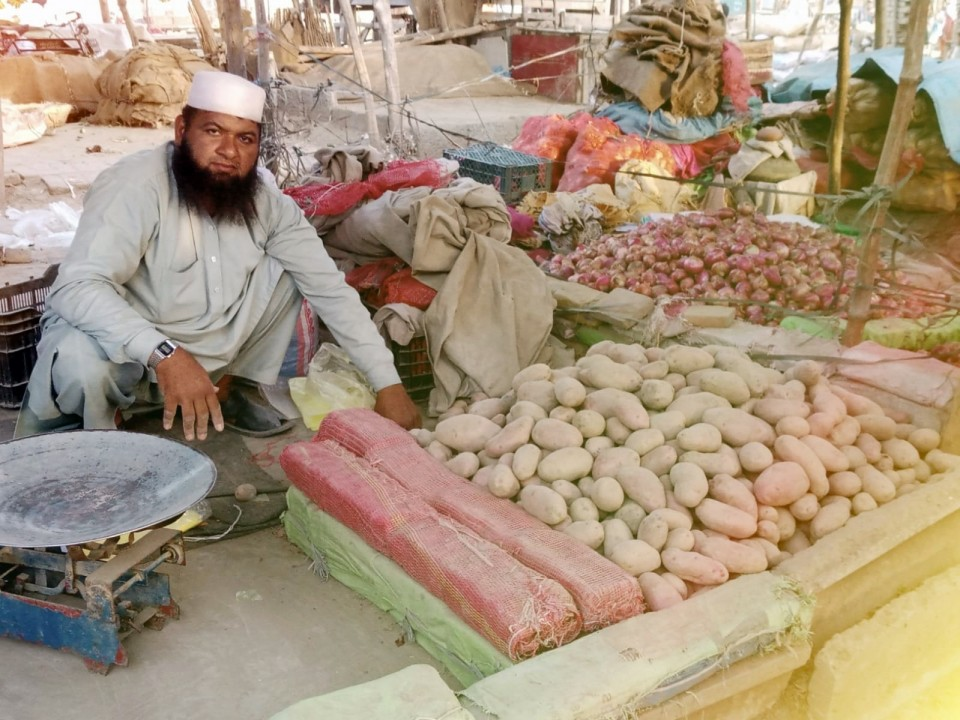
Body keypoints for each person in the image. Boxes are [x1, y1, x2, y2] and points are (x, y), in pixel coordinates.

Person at [18, 70, 421, 441]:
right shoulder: (135, 186)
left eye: (245, 138)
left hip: (207, 343)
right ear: (181, 130)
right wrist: (166, 355)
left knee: (292, 271)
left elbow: (330, 290)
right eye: (213, 131)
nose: (228, 150)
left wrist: (388, 385)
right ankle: (109, 420)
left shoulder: (267, 203)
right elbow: (76, 287)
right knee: (77, 362)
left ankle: (228, 386)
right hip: (126, 345)